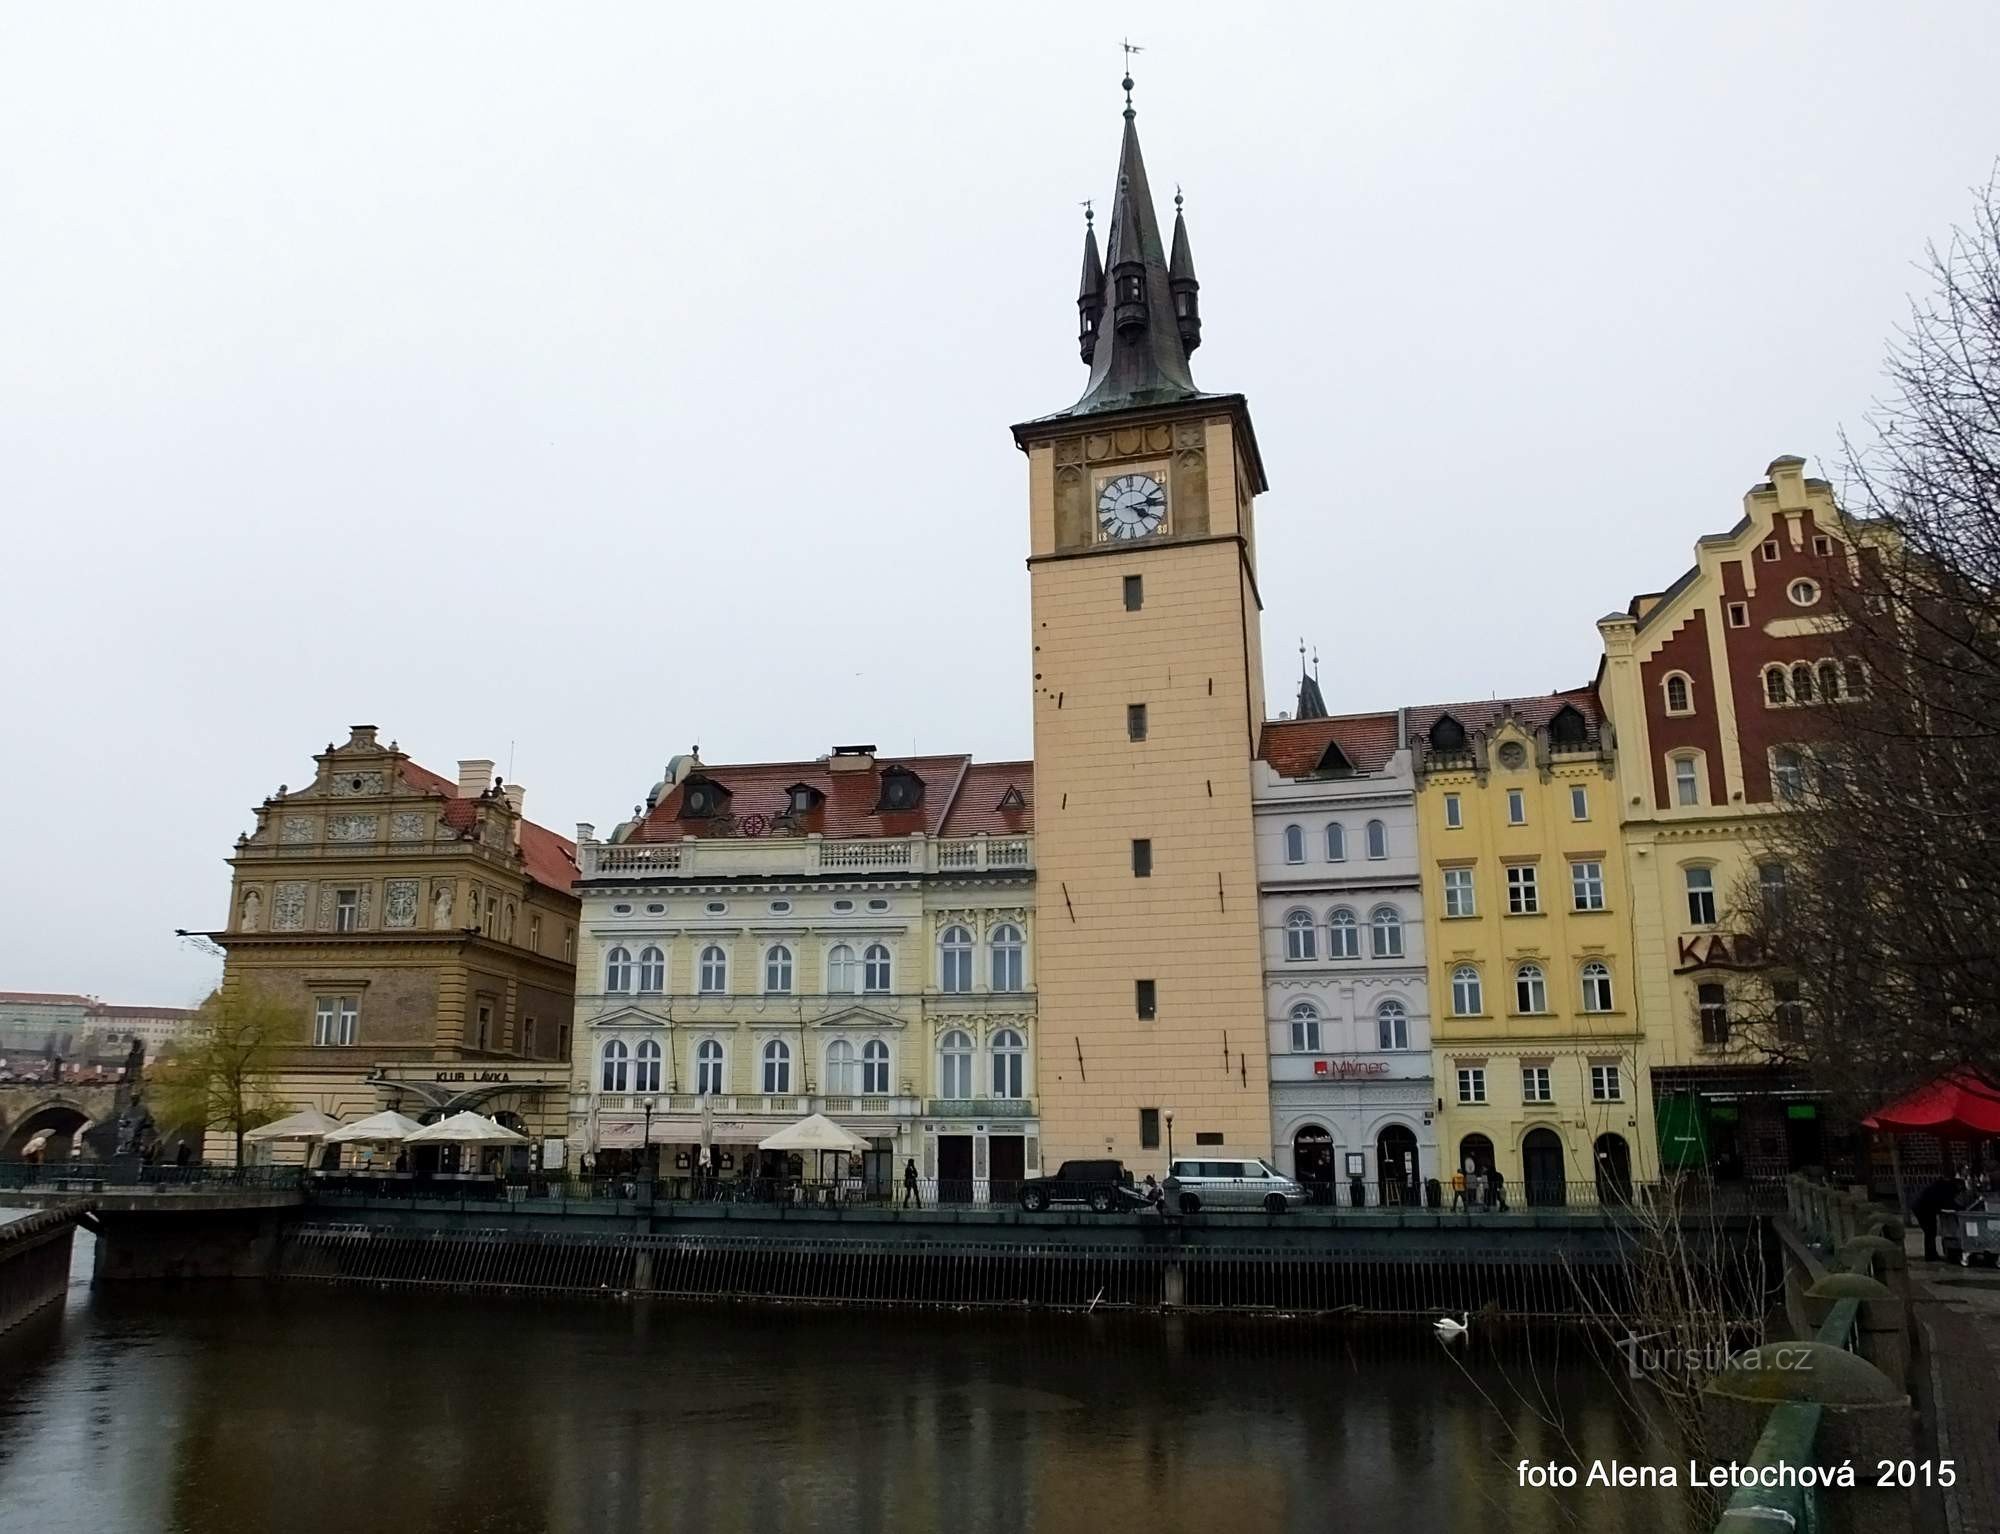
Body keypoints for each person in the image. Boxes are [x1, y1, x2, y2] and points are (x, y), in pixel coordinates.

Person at [1914, 1171, 1967, 1262]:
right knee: (1930, 1232)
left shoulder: (1943, 1186)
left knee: (1930, 1232)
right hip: (1924, 1208)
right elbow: (1949, 1203)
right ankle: (1930, 1255)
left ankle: (1931, 1254)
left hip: (1924, 1207)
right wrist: (1961, 1208)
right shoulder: (1949, 1189)